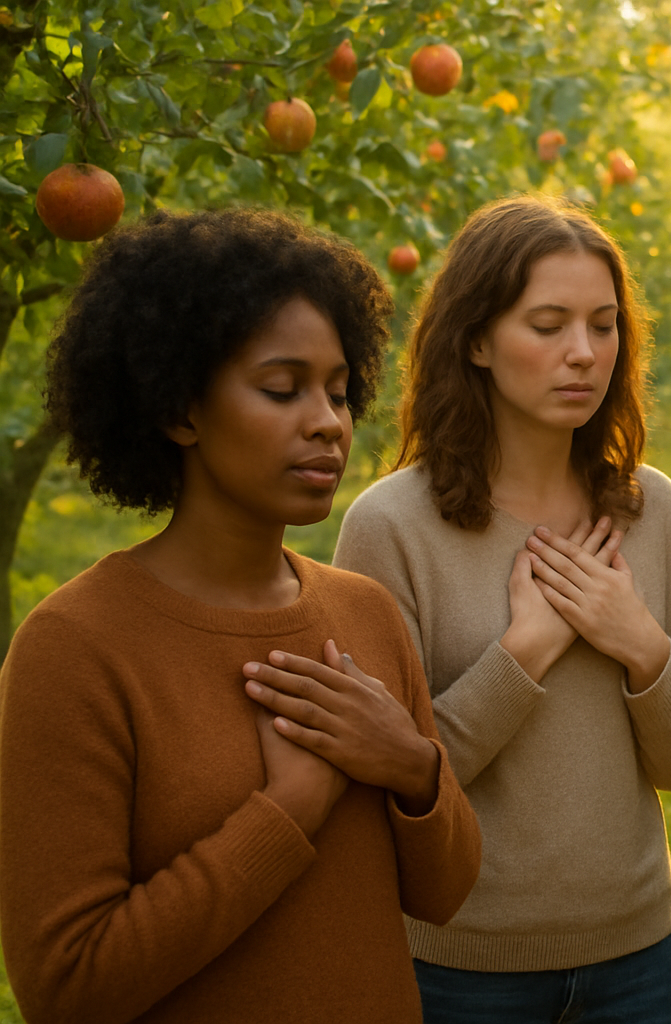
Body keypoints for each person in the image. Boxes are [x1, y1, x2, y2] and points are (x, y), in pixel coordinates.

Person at [0, 208, 481, 1024]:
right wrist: (286, 812)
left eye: (337, 391)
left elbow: (445, 894)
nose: (328, 422)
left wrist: (411, 765)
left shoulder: (362, 613)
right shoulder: (75, 649)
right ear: (178, 409)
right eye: (281, 388)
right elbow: (68, 989)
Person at [332, 194, 671, 1023]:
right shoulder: (392, 527)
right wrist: (525, 653)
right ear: (476, 339)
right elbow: (391, 779)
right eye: (547, 325)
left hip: (637, 960)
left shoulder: (651, 510)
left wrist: (640, 643)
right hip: (460, 969)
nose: (583, 353)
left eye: (603, 324)